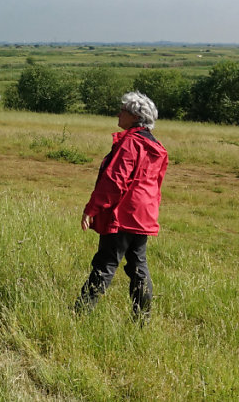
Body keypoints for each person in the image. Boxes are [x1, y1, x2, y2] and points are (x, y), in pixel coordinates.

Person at [76, 92, 168, 319]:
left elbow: (114, 181)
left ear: (135, 116)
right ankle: (142, 319)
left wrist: (91, 209)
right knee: (139, 266)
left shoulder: (130, 142)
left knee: (105, 264)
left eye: (123, 110)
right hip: (144, 214)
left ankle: (80, 315)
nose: (119, 113)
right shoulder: (156, 145)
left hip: (123, 213)